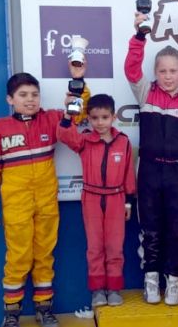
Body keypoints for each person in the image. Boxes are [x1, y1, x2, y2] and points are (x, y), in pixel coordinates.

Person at [0, 65, 89, 327]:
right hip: (16, 203)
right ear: (10, 99)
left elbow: (77, 114)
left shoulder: (51, 120)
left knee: (44, 256)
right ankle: (12, 312)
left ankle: (44, 308)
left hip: (46, 202)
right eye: (23, 94)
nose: (30, 100)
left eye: (34, 94)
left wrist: (78, 82)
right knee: (18, 257)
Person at [126, 16, 178, 305]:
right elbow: (130, 69)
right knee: (149, 229)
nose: (167, 76)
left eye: (173, 70)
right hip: (148, 170)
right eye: (162, 71)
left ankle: (174, 282)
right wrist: (139, 37)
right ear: (155, 72)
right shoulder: (145, 92)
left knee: (175, 231)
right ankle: (151, 279)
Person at [57, 94, 136, 308]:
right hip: (91, 198)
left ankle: (114, 288)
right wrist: (68, 113)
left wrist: (128, 201)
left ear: (113, 117)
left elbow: (129, 173)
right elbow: (64, 135)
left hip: (116, 198)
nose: (100, 122)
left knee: (114, 247)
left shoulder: (123, 142)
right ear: (89, 119)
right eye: (94, 118)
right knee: (95, 247)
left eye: (104, 117)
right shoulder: (84, 140)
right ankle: (98, 290)